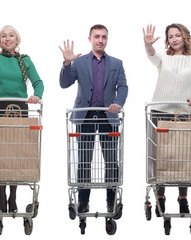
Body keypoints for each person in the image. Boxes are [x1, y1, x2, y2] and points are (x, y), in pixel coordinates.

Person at [0, 14, 43, 213]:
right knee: (0, 152)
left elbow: (38, 82)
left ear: (17, 40)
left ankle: (13, 196)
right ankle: (2, 196)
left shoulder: (25, 60)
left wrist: (36, 95)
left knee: (16, 152)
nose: (7, 38)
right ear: (0, 41)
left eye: (11, 35)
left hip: (20, 108)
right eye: (3, 36)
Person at [59, 24, 128, 214]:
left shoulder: (116, 63)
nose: (100, 40)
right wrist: (66, 64)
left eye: (104, 37)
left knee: (111, 161)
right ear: (90, 39)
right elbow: (64, 84)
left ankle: (111, 201)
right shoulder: (79, 62)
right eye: (96, 36)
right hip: (85, 116)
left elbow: (123, 87)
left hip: (108, 116)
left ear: (107, 39)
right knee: (84, 161)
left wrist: (118, 103)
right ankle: (83, 201)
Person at [143, 23, 191, 215]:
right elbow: (151, 55)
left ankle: (183, 198)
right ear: (167, 40)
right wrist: (148, 44)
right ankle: (160, 196)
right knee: (160, 156)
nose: (174, 39)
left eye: (177, 35)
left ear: (185, 37)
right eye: (170, 36)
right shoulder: (164, 59)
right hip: (159, 111)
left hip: (182, 113)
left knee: (182, 156)